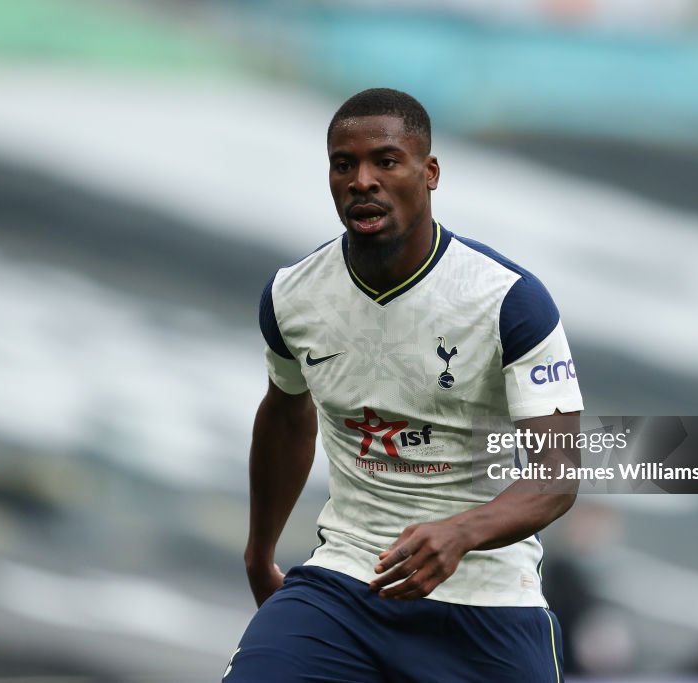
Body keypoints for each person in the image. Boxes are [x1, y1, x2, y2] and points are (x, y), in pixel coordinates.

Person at [225, 88, 583, 682]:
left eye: (385, 161)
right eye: (345, 164)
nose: (362, 180)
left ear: (430, 171)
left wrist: (461, 534)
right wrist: (260, 552)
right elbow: (287, 416)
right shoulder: (293, 296)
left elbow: (557, 477)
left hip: (487, 607)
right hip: (344, 585)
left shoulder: (509, 302)